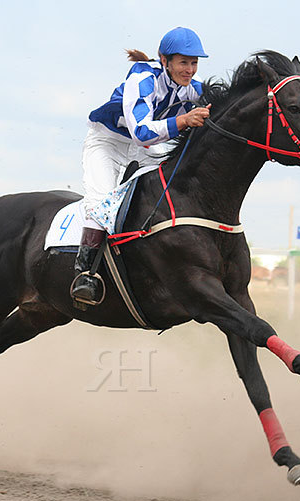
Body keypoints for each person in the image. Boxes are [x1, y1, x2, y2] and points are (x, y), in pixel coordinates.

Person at [71, 27, 212, 305]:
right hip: (108, 142)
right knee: (102, 203)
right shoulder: (143, 76)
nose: (190, 70)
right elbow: (142, 132)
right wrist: (184, 120)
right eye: (184, 62)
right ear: (165, 60)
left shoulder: (193, 89)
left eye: (194, 63)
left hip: (145, 150)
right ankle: (85, 274)